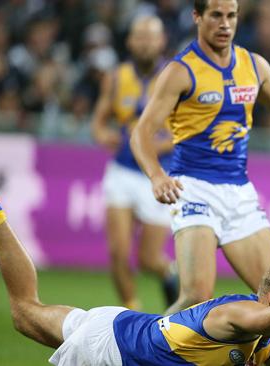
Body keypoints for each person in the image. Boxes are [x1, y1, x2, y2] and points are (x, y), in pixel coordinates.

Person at [0, 161, 270, 366]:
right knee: (23, 313)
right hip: (110, 352)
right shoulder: (239, 315)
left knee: (25, 312)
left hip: (121, 322)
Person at [130, 0, 270, 315]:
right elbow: (141, 133)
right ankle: (143, 351)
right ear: (197, 17)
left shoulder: (253, 66)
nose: (225, 24)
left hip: (239, 193)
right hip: (193, 188)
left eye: (231, 16)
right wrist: (157, 176)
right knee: (196, 296)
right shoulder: (180, 71)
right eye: (216, 15)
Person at [91, 15, 177, 310]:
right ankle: (132, 313)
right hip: (123, 171)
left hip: (158, 173)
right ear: (129, 41)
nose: (145, 42)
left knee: (149, 259)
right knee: (117, 252)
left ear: (161, 41)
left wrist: (159, 144)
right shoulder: (116, 78)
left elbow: (190, 129)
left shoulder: (175, 75)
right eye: (139, 36)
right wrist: (104, 135)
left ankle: (169, 274)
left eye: (151, 36)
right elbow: (99, 123)